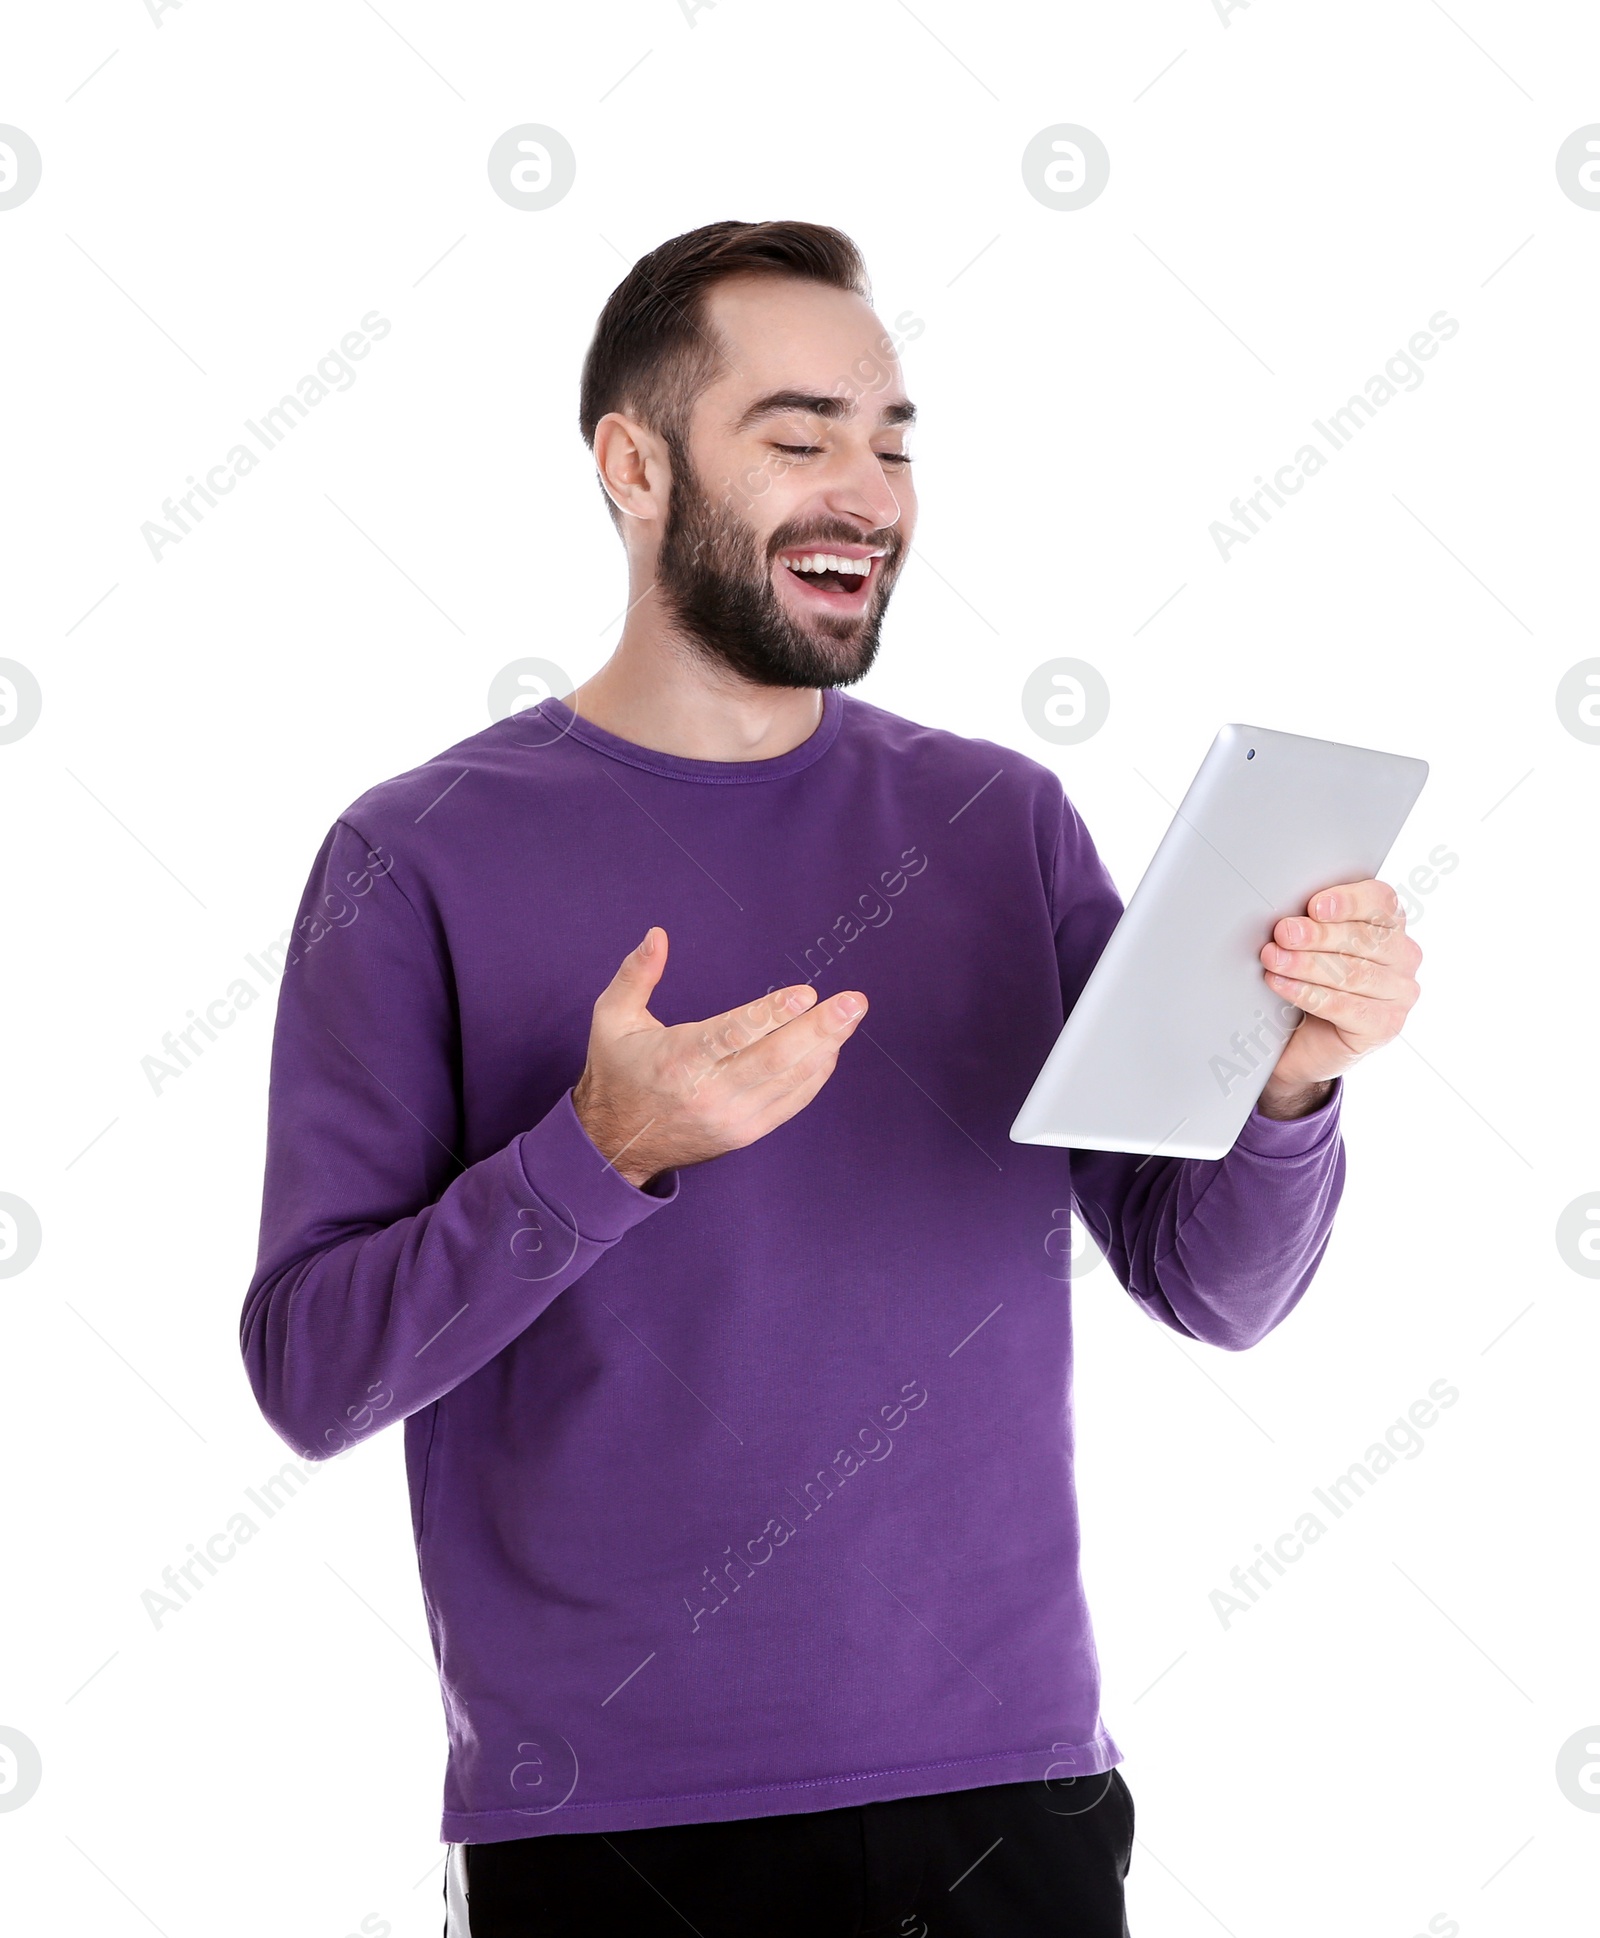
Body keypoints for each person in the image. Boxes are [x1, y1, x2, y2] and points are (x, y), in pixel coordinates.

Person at [241, 220, 1421, 1936]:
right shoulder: (412, 855)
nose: (866, 488)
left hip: (1012, 1803)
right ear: (634, 468)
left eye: (892, 440)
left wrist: (1289, 1089)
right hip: (619, 1832)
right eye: (797, 439)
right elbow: (312, 1370)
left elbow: (1212, 1283)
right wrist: (598, 1152)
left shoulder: (1001, 824)